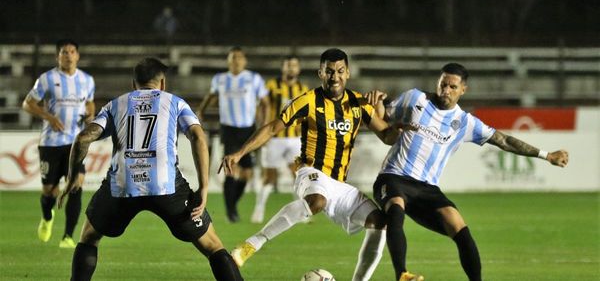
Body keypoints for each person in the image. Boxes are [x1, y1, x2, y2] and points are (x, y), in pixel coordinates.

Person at [367, 63, 569, 281]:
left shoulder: (465, 122)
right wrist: (376, 102)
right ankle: (402, 275)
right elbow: (383, 119)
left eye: (452, 87)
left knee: (459, 227)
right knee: (395, 209)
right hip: (393, 176)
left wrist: (546, 155)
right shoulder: (415, 99)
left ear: (463, 90)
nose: (445, 90)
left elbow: (504, 140)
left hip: (426, 188)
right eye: (443, 84)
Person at [57, 58, 244, 281]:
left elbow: (83, 138)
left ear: (133, 83)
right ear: (162, 83)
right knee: (213, 245)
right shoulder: (175, 103)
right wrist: (203, 187)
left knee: (88, 237)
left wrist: (70, 180)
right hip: (167, 187)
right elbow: (198, 136)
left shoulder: (116, 105)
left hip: (122, 186)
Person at [227, 48, 405, 281]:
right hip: (311, 172)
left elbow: (387, 137)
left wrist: (396, 124)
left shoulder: (359, 103)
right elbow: (272, 127)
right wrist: (240, 153)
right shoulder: (308, 100)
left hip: (339, 184)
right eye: (329, 71)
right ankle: (251, 245)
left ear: (348, 73)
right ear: (320, 73)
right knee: (317, 201)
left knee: (379, 222)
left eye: (340, 71)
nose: (335, 77)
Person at [22, 39, 95, 248]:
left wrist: (90, 113)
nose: (68, 55)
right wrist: (49, 118)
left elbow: (90, 101)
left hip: (75, 142)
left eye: (72, 51)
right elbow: (27, 104)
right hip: (50, 143)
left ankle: (68, 237)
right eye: (64, 52)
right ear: (58, 56)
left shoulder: (87, 80)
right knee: (49, 191)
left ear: (78, 56)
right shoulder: (46, 79)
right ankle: (47, 217)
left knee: (76, 185)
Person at [197, 46, 269, 223]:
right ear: (228, 61)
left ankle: (232, 204)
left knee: (247, 173)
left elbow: (265, 102)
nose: (236, 60)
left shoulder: (254, 79)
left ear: (244, 61)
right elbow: (211, 96)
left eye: (239, 57)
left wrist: (265, 125)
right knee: (231, 168)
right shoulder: (220, 79)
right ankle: (231, 212)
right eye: (233, 57)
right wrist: (201, 111)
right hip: (229, 129)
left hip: (248, 129)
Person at [250, 55, 309, 223]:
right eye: (288, 65)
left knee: (298, 175)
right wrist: (262, 130)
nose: (291, 68)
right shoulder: (271, 85)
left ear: (298, 69)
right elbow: (261, 107)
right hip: (274, 138)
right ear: (283, 68)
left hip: (295, 139)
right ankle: (259, 209)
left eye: (294, 65)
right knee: (270, 177)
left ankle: (302, 211)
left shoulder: (302, 88)